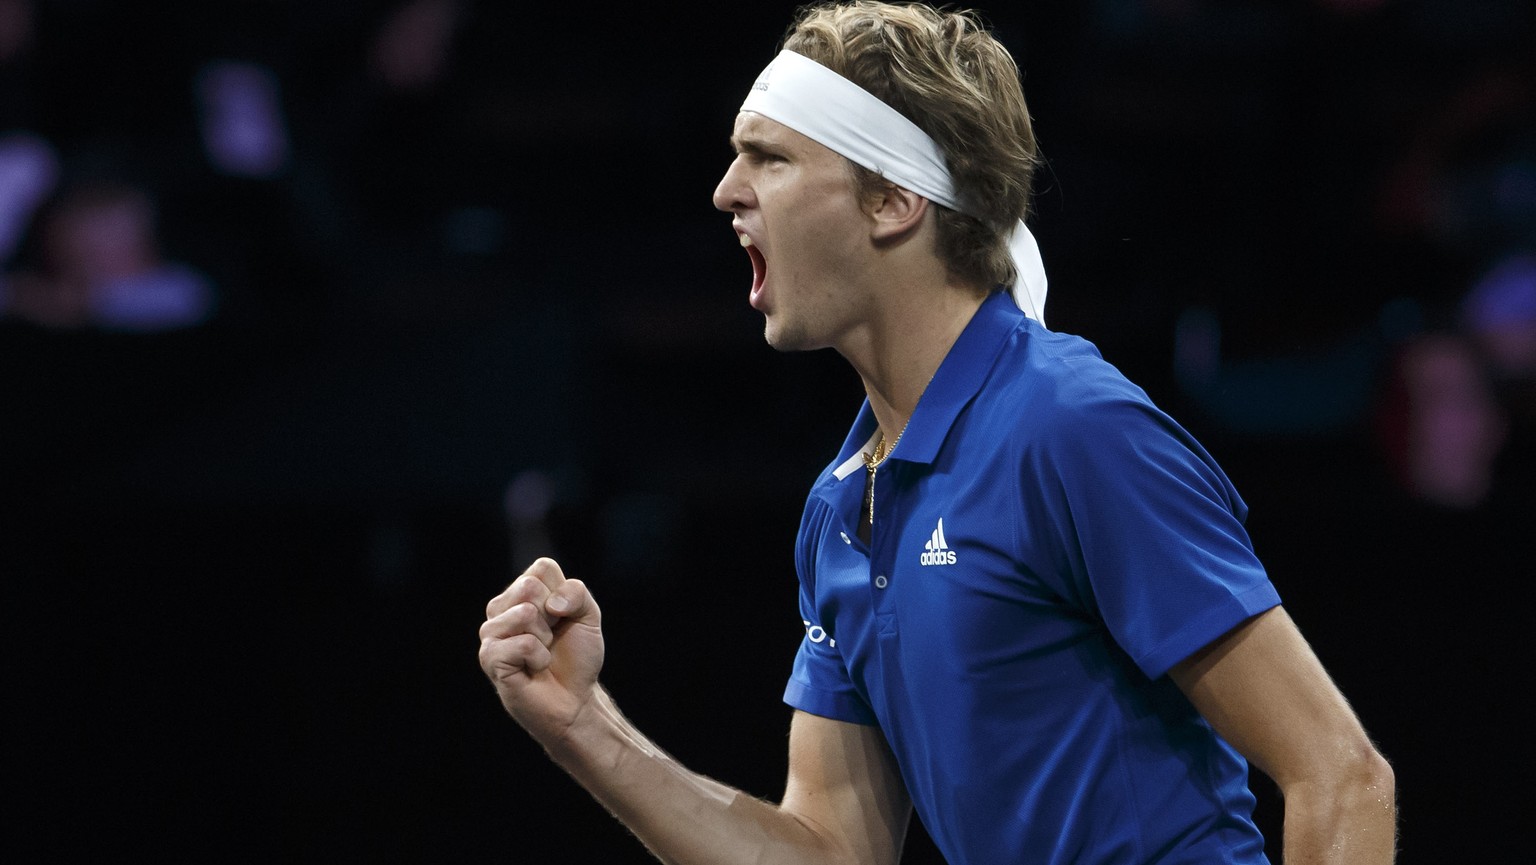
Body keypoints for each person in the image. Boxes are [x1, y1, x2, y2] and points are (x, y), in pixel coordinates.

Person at [477, 3, 1396, 863]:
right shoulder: (841, 503)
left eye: (771, 158)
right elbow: (830, 848)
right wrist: (582, 726)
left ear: (892, 201)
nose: (726, 191)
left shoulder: (1072, 425)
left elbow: (1342, 776)